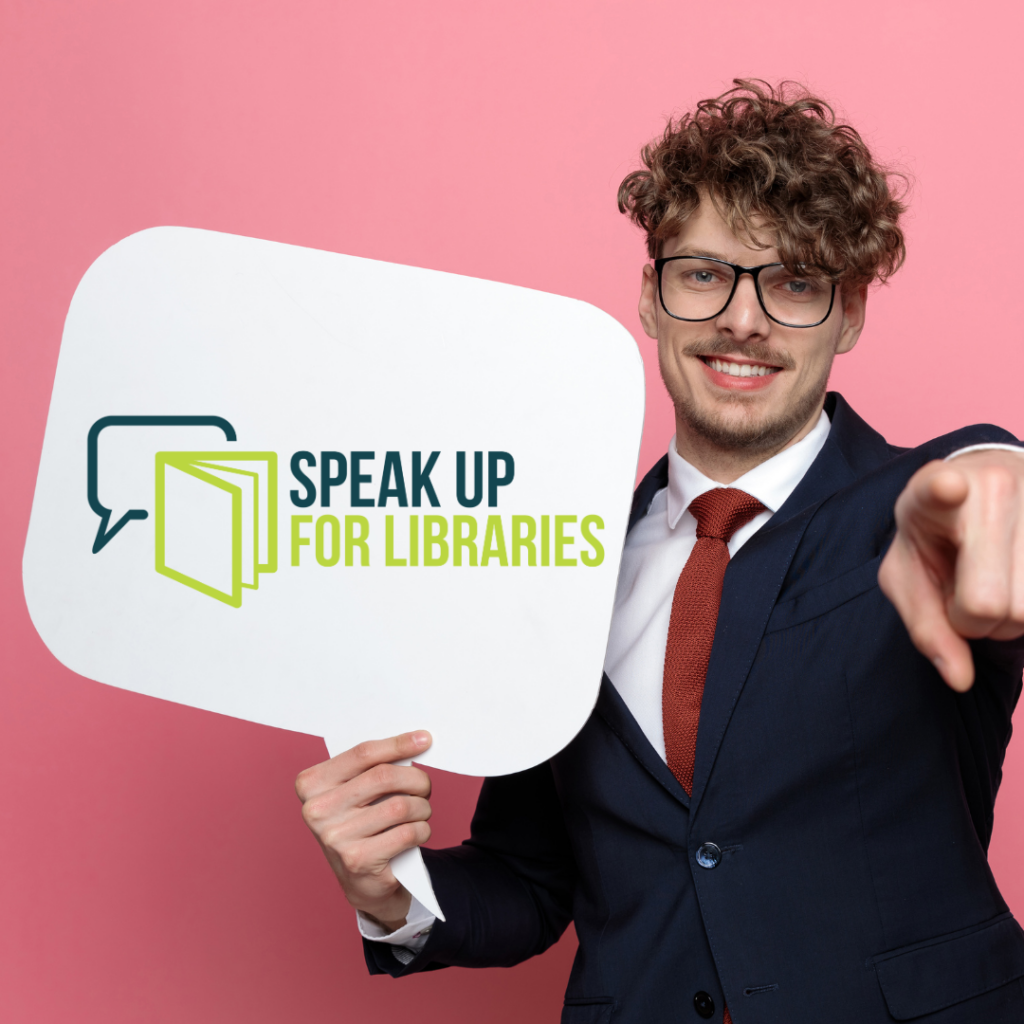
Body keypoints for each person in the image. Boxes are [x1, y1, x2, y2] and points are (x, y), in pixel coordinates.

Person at [295, 81, 1024, 1022]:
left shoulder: (930, 516)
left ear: (850, 315)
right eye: (705, 273)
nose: (744, 319)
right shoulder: (557, 564)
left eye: (796, 282)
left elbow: (989, 504)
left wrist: (1000, 465)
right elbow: (529, 881)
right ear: (651, 295)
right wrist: (389, 886)